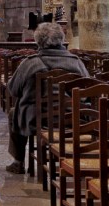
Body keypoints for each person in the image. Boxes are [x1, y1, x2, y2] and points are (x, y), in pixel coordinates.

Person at [5, 21, 87, 174]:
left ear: (38, 42)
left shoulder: (30, 63)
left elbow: (13, 89)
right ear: (61, 39)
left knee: (13, 113)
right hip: (73, 118)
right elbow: (87, 91)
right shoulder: (76, 63)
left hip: (37, 119)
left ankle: (18, 161)